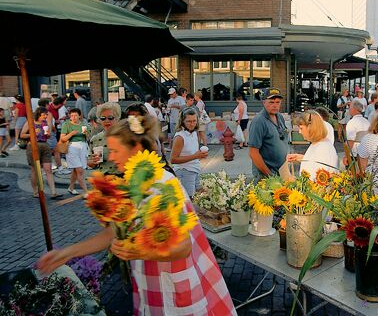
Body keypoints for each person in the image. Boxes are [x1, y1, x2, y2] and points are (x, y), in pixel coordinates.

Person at [36, 115, 236, 315]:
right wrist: (65, 254)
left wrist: (138, 252)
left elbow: (183, 248)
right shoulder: (132, 182)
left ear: (137, 149)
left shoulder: (163, 184)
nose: (111, 157)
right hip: (150, 286)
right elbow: (111, 232)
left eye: (115, 150)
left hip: (172, 291)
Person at [20, 107, 62, 199]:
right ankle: (35, 192)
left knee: (48, 169)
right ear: (39, 114)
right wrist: (33, 133)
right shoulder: (30, 123)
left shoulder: (45, 123)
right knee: (35, 170)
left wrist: (48, 134)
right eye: (44, 114)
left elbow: (47, 136)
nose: (46, 116)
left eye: (46, 114)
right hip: (33, 146)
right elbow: (22, 135)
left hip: (45, 145)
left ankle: (54, 192)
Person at [248, 87, 288, 182]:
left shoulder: (280, 117)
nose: (275, 105)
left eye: (277, 102)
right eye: (271, 102)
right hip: (266, 176)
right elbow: (253, 153)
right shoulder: (259, 121)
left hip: (281, 172)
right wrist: (270, 176)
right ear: (264, 102)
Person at [287, 110, 338, 178]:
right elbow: (315, 161)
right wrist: (301, 158)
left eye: (301, 128)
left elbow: (317, 177)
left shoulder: (323, 149)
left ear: (311, 128)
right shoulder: (318, 143)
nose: (299, 132)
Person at [170, 107, 207, 198]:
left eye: (194, 121)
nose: (192, 124)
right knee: (190, 201)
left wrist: (200, 155)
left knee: (200, 197)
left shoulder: (193, 132)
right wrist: (195, 156)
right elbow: (173, 159)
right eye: (189, 121)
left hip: (195, 169)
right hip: (184, 172)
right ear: (182, 121)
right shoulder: (180, 137)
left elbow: (192, 152)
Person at [86, 102, 121, 176]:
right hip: (103, 180)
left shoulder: (126, 136)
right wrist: (93, 161)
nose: (106, 121)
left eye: (110, 118)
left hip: (123, 181)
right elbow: (89, 163)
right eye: (103, 118)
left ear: (117, 119)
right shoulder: (95, 139)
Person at [60, 108, 89, 196]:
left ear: (79, 116)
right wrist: (71, 134)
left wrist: (86, 134)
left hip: (83, 147)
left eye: (75, 115)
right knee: (79, 170)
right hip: (72, 147)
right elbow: (62, 138)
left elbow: (87, 138)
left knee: (76, 170)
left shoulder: (84, 124)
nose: (73, 117)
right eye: (71, 115)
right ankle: (86, 192)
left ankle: (71, 187)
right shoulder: (66, 124)